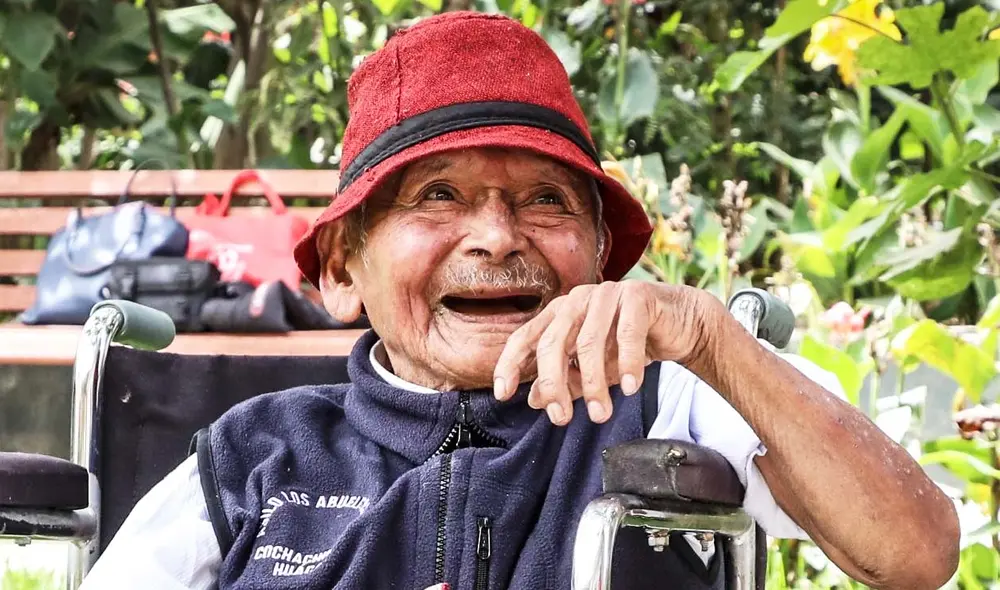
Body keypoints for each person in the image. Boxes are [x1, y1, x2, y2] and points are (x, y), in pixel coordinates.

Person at [81, 11, 959, 590]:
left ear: (603, 256)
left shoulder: (678, 404)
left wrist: (711, 337)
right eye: (437, 197)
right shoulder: (252, 458)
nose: (498, 237)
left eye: (546, 201)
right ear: (342, 271)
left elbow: (916, 554)